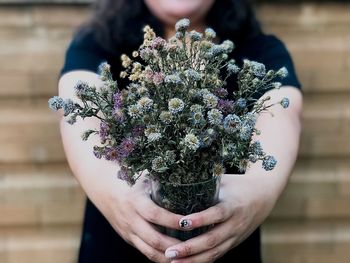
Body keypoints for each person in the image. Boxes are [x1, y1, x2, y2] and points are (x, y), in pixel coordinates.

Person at [57, 0, 303, 262]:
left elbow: (284, 113)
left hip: (225, 248)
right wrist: (109, 185)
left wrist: (259, 189)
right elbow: (76, 105)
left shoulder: (260, 52)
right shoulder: (99, 43)